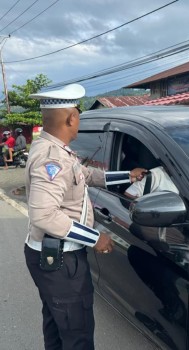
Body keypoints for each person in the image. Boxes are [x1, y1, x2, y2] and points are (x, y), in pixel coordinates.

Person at [24, 83, 146, 350]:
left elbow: (85, 176)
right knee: (77, 333)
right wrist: (95, 238)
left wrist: (127, 175)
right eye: (78, 114)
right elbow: (44, 215)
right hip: (61, 261)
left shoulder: (51, 147)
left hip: (52, 256)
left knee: (58, 324)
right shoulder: (51, 159)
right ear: (71, 118)